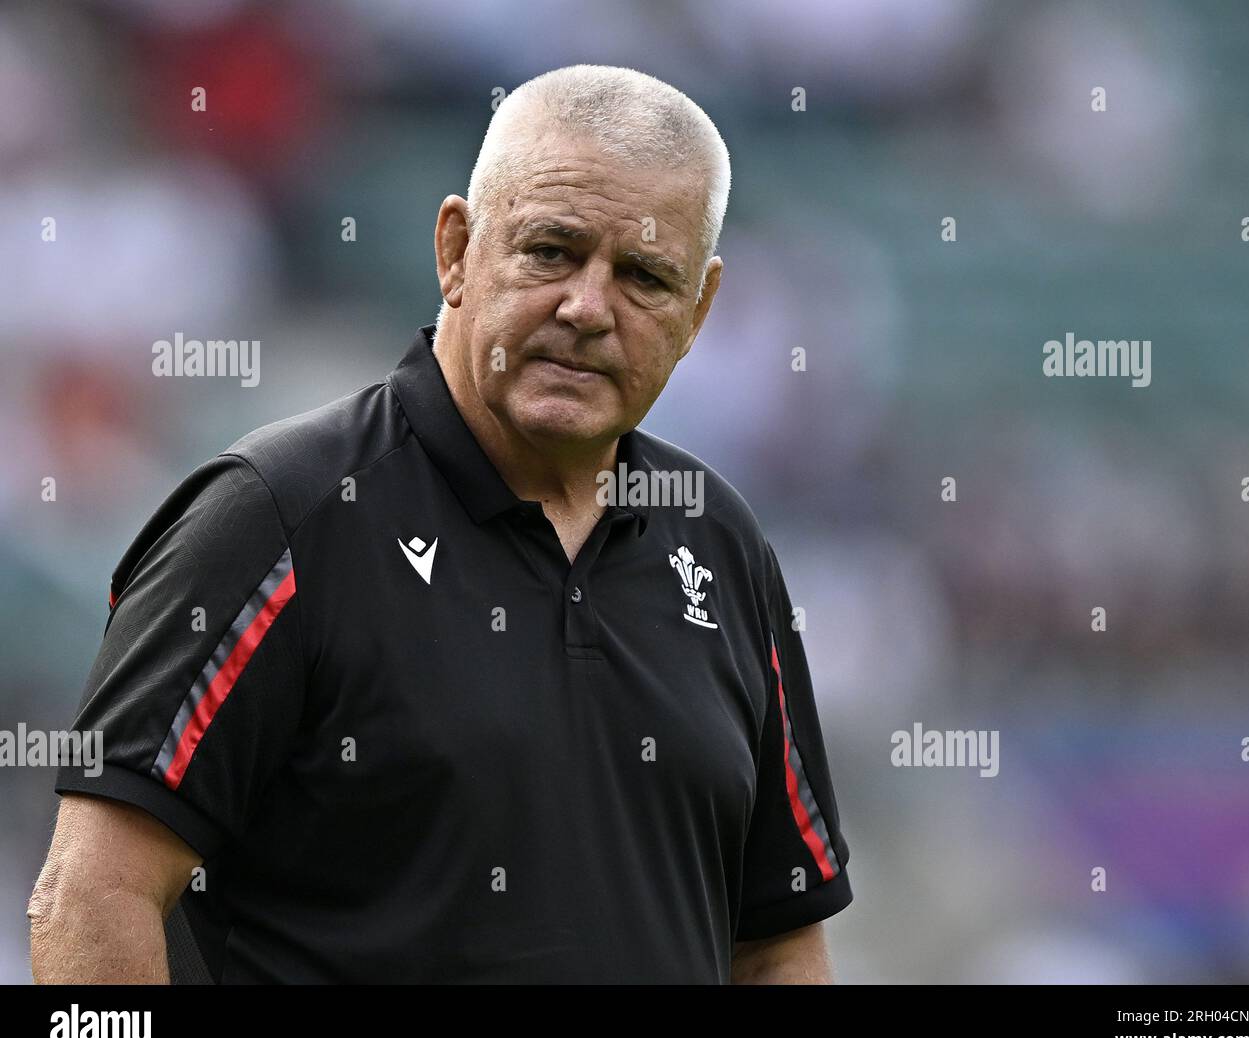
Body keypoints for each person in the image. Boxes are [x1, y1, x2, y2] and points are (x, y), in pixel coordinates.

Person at [28, 64, 852, 984]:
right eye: (551, 250)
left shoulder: (720, 544)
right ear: (456, 249)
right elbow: (88, 895)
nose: (587, 307)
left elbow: (778, 944)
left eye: (644, 276)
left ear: (698, 312)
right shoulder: (277, 517)